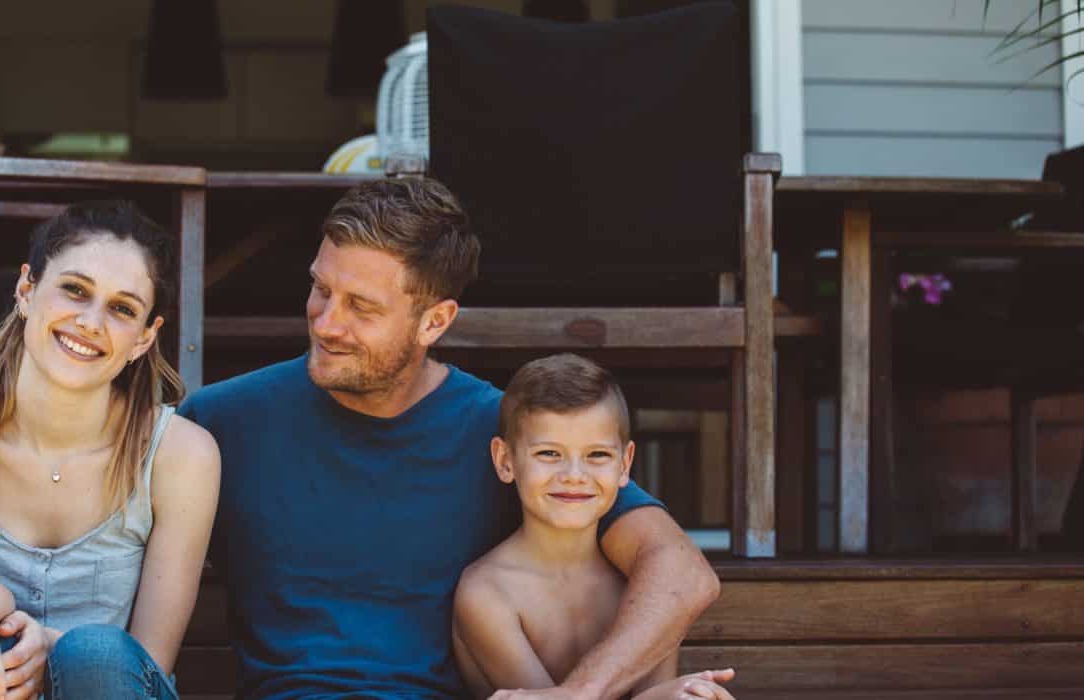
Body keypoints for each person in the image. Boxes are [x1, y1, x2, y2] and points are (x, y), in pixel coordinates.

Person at [180, 178, 721, 699]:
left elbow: (680, 570)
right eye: (322, 290)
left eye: (361, 307)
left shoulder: (506, 432)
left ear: (434, 322)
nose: (326, 324)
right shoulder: (220, 421)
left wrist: (581, 691)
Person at [0, 200, 221, 699]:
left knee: (94, 654)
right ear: (26, 289)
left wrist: (48, 646)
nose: (90, 322)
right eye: (74, 290)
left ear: (145, 337)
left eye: (122, 309)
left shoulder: (179, 454)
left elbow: (150, 661)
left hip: (109, 688)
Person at [453, 354, 734, 700]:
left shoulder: (642, 590)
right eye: (549, 454)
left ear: (625, 464)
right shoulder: (487, 593)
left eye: (597, 455)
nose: (574, 474)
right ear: (505, 460)